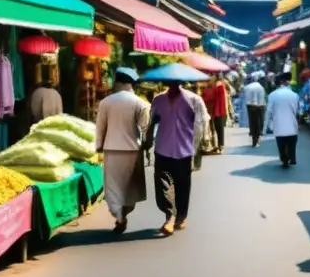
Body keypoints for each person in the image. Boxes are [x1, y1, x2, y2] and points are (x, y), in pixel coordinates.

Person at [145, 82, 206, 236]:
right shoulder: (158, 100)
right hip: (162, 148)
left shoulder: (194, 100)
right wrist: (147, 142)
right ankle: (169, 216)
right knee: (162, 184)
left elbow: (201, 123)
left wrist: (197, 148)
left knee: (182, 187)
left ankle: (181, 216)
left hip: (184, 150)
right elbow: (151, 122)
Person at [95, 67, 150, 234]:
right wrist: (146, 148)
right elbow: (145, 128)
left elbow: (100, 127)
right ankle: (124, 212)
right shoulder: (140, 103)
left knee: (113, 187)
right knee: (130, 187)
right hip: (132, 150)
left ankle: (119, 216)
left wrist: (98, 146)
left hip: (112, 150)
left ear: (118, 82)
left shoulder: (106, 102)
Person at [265, 72, 301, 168]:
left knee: (281, 143)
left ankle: (284, 157)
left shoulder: (272, 95)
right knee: (292, 142)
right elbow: (299, 110)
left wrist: (266, 126)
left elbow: (269, 111)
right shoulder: (294, 95)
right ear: (286, 82)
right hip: (292, 125)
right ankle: (292, 157)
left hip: (278, 125)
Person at [204, 77, 229, 153]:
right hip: (213, 110)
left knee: (218, 128)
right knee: (214, 129)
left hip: (217, 110)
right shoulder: (216, 86)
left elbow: (210, 97)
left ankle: (219, 145)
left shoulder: (219, 86)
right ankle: (216, 145)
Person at [243, 78, 267, 147]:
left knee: (252, 122)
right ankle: (258, 137)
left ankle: (253, 137)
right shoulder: (261, 87)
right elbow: (262, 99)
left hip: (250, 106)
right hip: (260, 106)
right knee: (259, 122)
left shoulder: (247, 87)